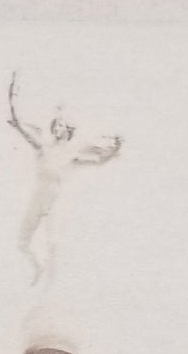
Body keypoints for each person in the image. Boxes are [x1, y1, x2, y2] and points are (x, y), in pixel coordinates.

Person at [8, 75, 121, 286]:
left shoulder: (71, 155)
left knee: (53, 245)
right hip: (38, 199)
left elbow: (97, 161)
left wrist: (114, 150)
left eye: (61, 125)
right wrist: (13, 97)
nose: (57, 128)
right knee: (22, 243)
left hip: (55, 201)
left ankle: (51, 287)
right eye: (56, 125)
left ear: (68, 131)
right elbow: (20, 125)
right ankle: (37, 269)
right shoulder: (43, 148)